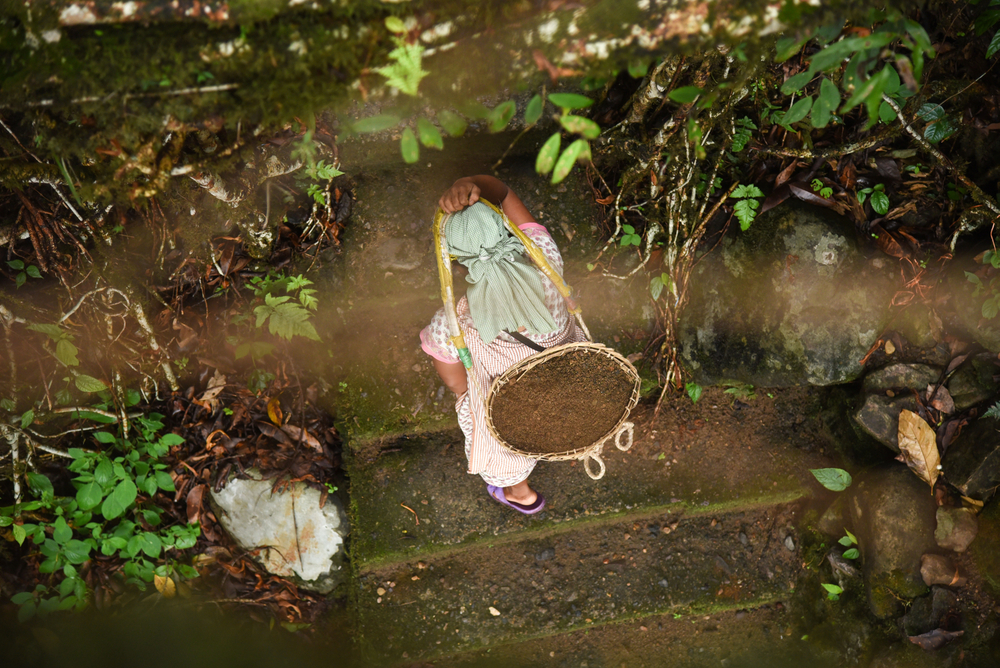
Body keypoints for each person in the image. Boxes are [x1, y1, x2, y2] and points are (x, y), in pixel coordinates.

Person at [420, 175, 586, 514]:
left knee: (501, 454)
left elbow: (444, 359)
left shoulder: (456, 321)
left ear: (456, 258)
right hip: (564, 387)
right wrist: (471, 184)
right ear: (506, 230)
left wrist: (461, 390)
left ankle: (519, 490)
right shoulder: (545, 261)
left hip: (509, 411)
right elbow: (507, 192)